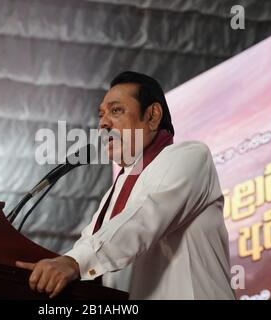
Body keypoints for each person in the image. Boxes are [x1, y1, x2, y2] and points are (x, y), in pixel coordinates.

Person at [16, 71, 235, 300]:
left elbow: (144, 217)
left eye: (116, 110)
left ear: (152, 115)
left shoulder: (189, 156)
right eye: (101, 114)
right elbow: (87, 246)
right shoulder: (114, 193)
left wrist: (74, 262)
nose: (103, 123)